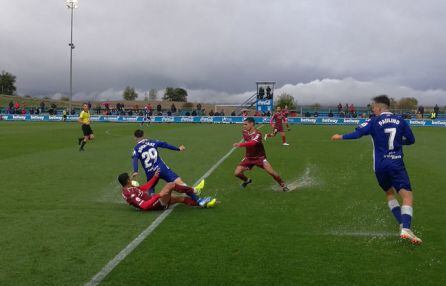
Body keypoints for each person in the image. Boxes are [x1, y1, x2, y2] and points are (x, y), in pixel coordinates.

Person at [331, 95, 421, 244]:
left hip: (379, 167)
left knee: (389, 193)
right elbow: (411, 140)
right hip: (396, 164)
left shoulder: (373, 121)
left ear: (379, 108)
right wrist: (399, 142)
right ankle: (406, 228)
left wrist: (340, 136)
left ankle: (401, 224)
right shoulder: (401, 120)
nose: (373, 109)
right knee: (407, 196)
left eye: (373, 107)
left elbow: (358, 133)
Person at [233, 117, 289, 192]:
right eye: (243, 124)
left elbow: (253, 143)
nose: (244, 126)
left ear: (251, 124)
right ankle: (247, 181)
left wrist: (240, 144)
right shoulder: (244, 132)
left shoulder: (258, 134)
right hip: (248, 157)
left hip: (260, 158)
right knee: (237, 173)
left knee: (271, 172)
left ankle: (283, 185)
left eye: (245, 124)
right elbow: (249, 140)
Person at [118, 170, 216, 210]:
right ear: (127, 181)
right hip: (154, 204)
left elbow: (145, 187)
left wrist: (155, 177)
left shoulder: (129, 188)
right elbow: (144, 206)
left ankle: (203, 203)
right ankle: (194, 190)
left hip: (155, 201)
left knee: (181, 199)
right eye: (129, 179)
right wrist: (159, 195)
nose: (131, 179)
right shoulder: (129, 193)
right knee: (170, 185)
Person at [131, 129, 193, 194]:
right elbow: (165, 145)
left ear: (135, 137)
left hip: (150, 172)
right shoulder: (153, 141)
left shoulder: (136, 148)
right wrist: (178, 149)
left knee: (151, 188)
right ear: (143, 135)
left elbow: (135, 159)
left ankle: (152, 202)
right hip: (161, 168)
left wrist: (135, 171)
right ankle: (195, 195)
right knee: (178, 182)